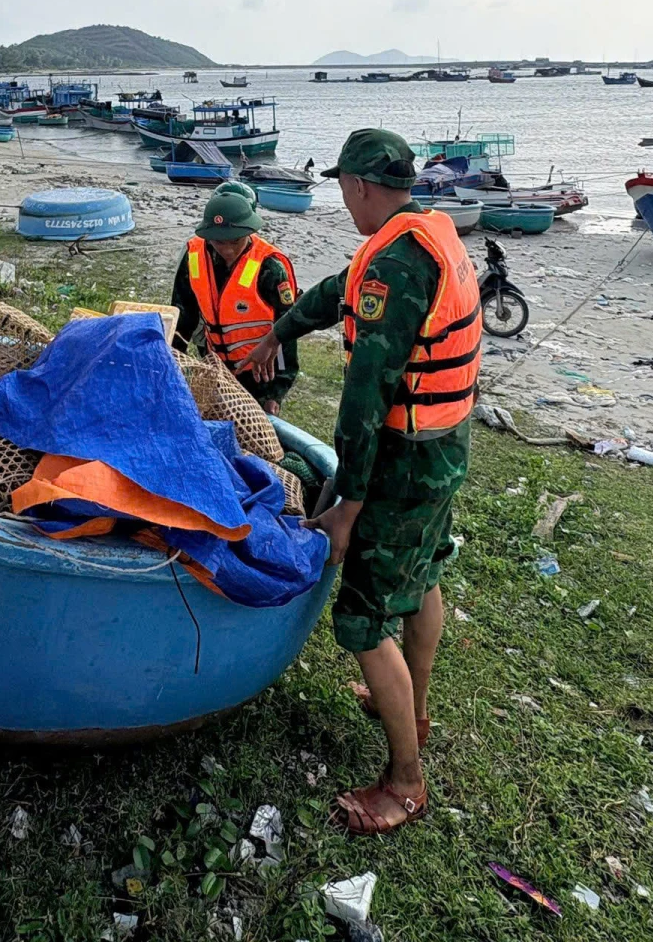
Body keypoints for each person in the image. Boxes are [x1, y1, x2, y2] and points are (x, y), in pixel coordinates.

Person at [241, 129, 480, 836]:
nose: (343, 199)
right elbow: (334, 292)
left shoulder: (395, 265)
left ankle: (405, 779)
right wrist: (281, 330)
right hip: (445, 445)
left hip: (401, 460)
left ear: (358, 186)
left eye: (342, 187)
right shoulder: (427, 233)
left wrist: (346, 504)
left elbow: (366, 400)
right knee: (424, 575)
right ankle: (412, 705)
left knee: (363, 618)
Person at [170, 184, 300, 412]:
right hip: (215, 366)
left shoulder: (270, 267)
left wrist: (276, 393)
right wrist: (172, 362)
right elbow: (183, 315)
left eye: (235, 241)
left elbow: (287, 330)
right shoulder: (194, 257)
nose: (227, 250)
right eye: (219, 242)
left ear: (248, 232)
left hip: (259, 373)